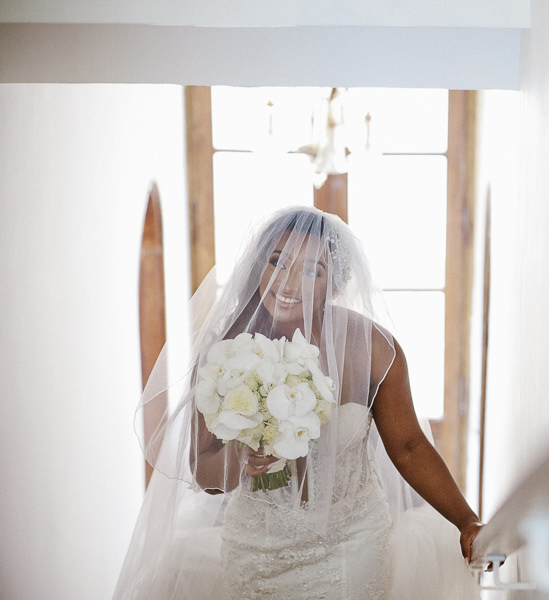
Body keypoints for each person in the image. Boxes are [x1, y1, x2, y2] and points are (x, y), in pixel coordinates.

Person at [115, 206, 486, 599]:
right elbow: (204, 476)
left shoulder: (372, 349)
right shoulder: (224, 356)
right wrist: (244, 457)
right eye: (278, 262)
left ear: (335, 282)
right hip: (258, 551)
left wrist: (465, 520)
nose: (289, 282)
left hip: (353, 543)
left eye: (312, 271)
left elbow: (410, 447)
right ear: (259, 265)